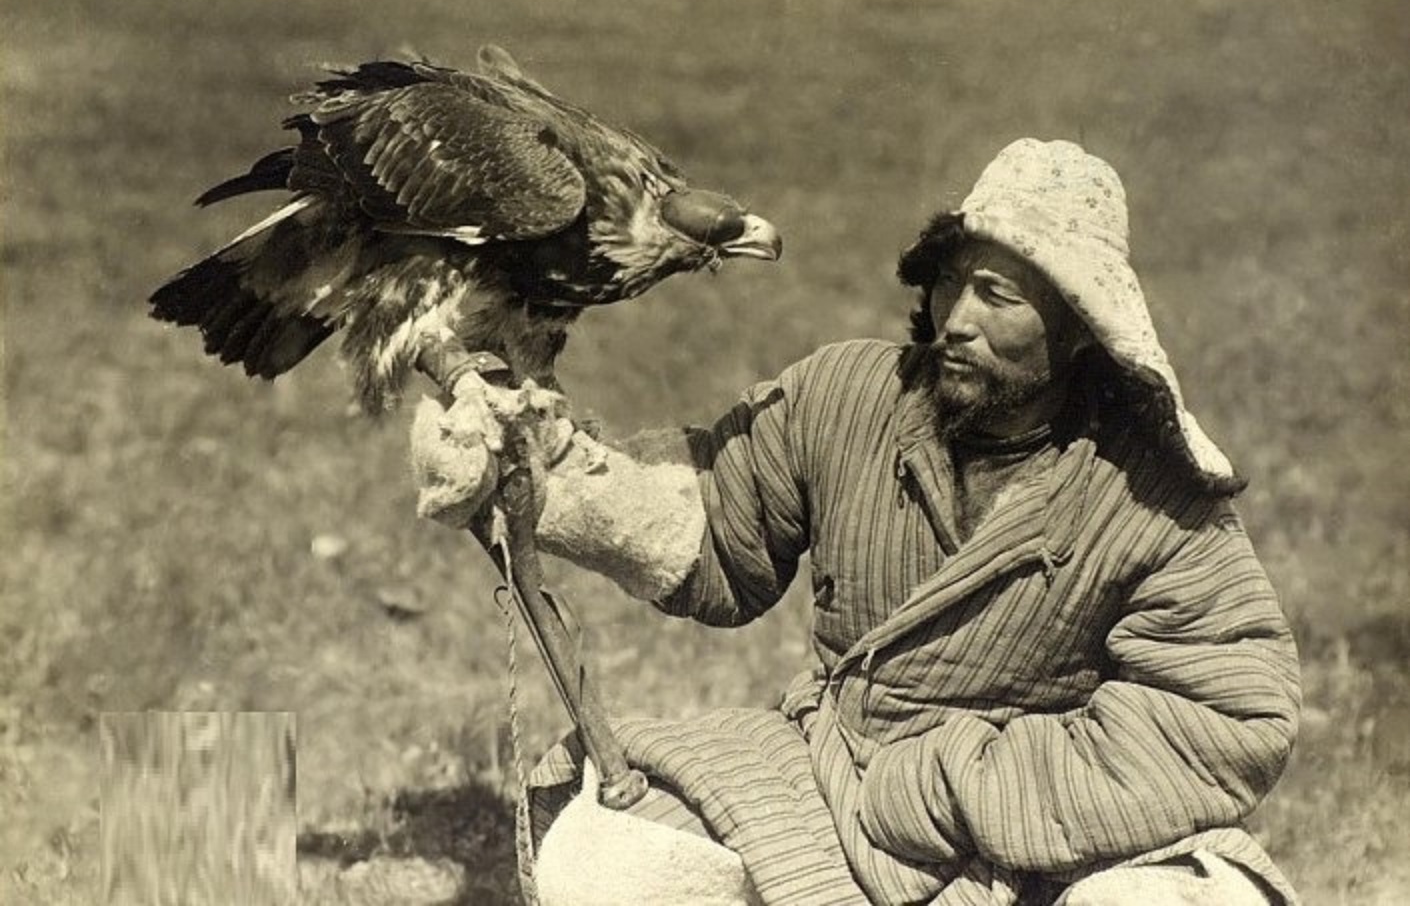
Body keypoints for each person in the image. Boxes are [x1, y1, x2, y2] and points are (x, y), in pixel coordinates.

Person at [410, 139, 1301, 905]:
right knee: (604, 858)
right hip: (838, 779)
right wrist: (546, 476)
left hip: (1055, 831)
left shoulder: (1152, 493)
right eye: (951, 282)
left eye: (998, 296)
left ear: (1079, 329)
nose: (956, 320)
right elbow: (720, 531)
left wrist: (961, 784)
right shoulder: (850, 396)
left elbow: (1230, 710)